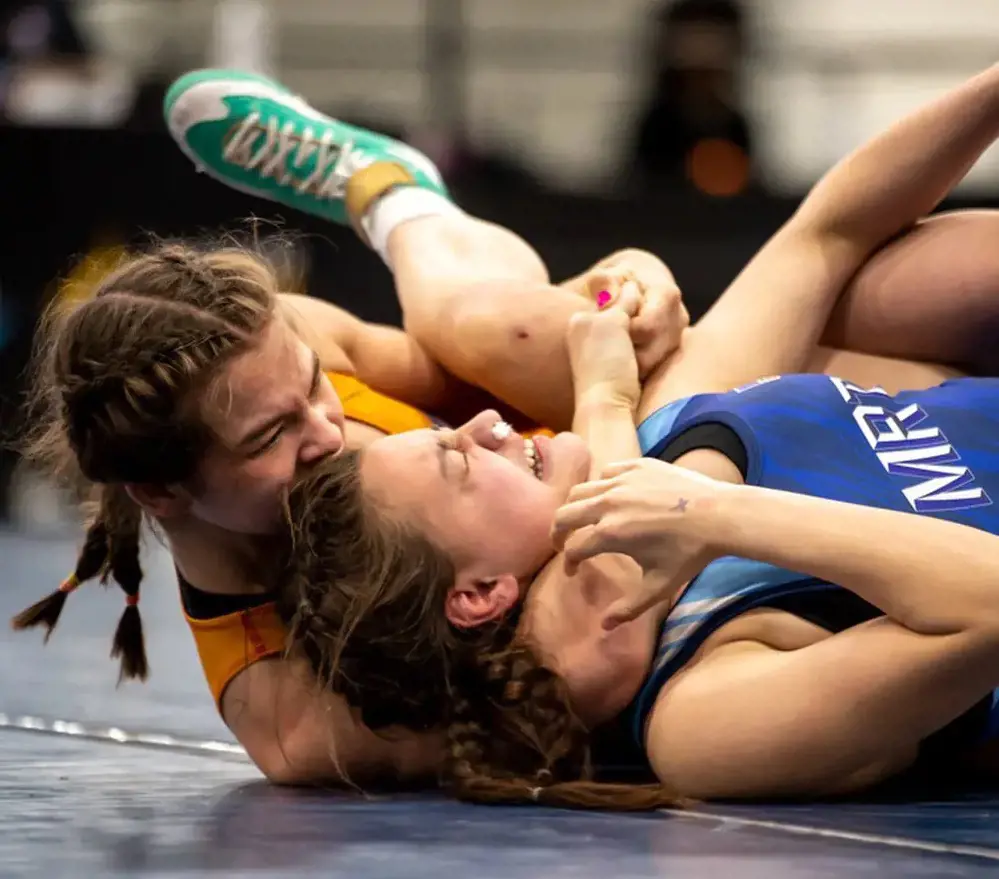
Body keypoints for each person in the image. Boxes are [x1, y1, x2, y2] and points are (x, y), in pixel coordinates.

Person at [10, 62, 999, 790]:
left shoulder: (615, 449)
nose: (326, 429)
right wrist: (700, 517)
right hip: (598, 512)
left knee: (488, 325)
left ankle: (392, 195)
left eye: (316, 390)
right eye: (275, 434)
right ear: (165, 492)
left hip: (584, 454)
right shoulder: (304, 720)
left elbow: (818, 237)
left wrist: (619, 319)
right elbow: (552, 689)